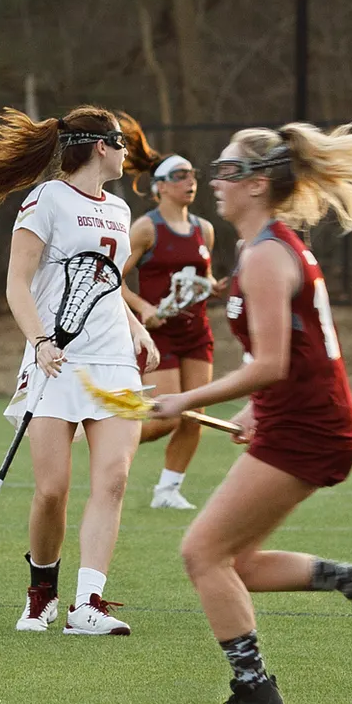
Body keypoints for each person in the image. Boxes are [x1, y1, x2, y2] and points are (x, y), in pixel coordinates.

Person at [143, 123, 352, 704]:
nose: (212, 180)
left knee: (201, 553)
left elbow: (272, 364)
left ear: (257, 184)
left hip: (310, 427)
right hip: (300, 418)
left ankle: (256, 696)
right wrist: (251, 409)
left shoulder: (266, 255)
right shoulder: (264, 246)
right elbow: (283, 351)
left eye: (225, 169)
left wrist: (183, 399)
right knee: (234, 562)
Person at [0, 106, 152, 635]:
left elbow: (102, 282)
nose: (127, 152)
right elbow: (18, 282)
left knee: (115, 478)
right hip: (56, 360)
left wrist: (135, 324)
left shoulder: (122, 211)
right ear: (99, 147)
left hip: (114, 361)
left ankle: (89, 603)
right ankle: (43, 592)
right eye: (120, 143)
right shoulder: (45, 199)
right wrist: (38, 341)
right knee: (52, 488)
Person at [127, 154, 218, 512]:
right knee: (169, 416)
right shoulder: (146, 228)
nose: (189, 181)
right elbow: (112, 278)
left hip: (197, 332)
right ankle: (114, 440)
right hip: (159, 334)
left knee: (196, 412)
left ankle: (168, 490)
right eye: (180, 175)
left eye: (192, 174)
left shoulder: (204, 229)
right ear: (160, 186)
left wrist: (216, 285)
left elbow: (204, 278)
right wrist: (144, 308)